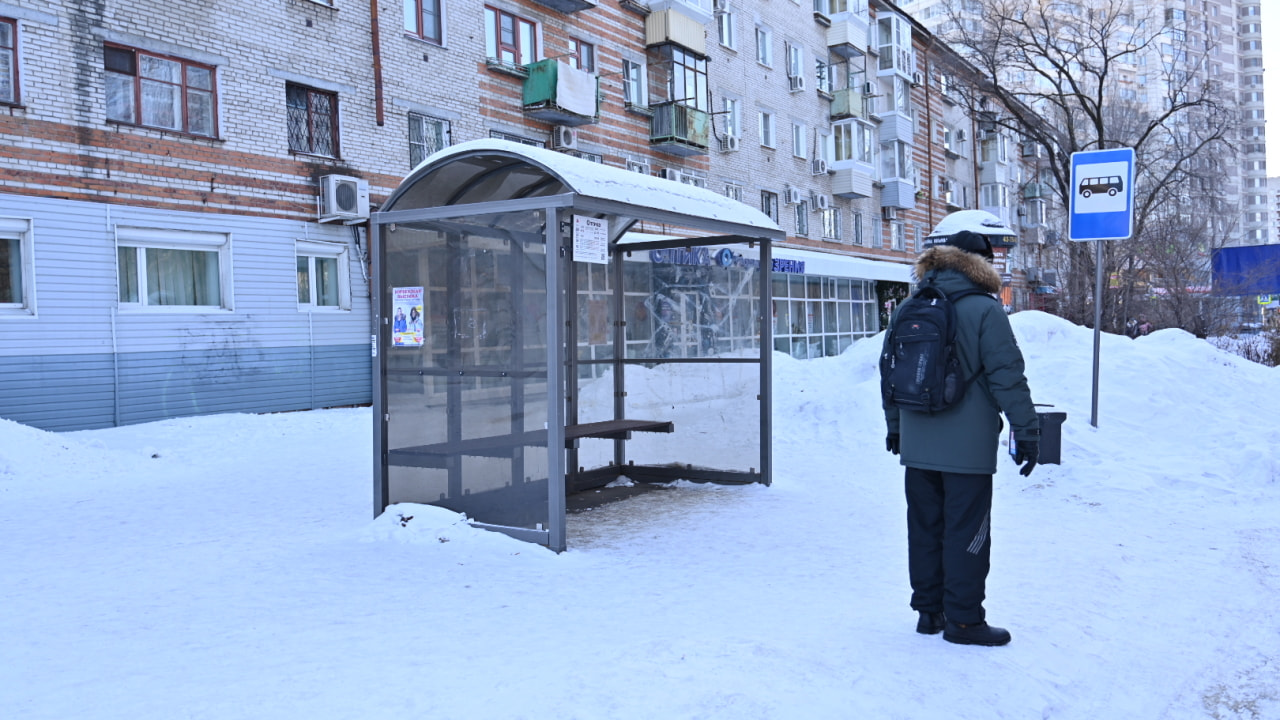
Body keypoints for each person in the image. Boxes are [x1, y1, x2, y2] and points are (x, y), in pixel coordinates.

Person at [882, 229, 1040, 647]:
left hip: (917, 442)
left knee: (925, 528)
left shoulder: (910, 306)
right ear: (978, 264)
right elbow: (1007, 376)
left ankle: (929, 612)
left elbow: (890, 374)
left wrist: (896, 427)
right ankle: (965, 620)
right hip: (966, 447)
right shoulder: (984, 310)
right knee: (967, 531)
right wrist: (1027, 429)